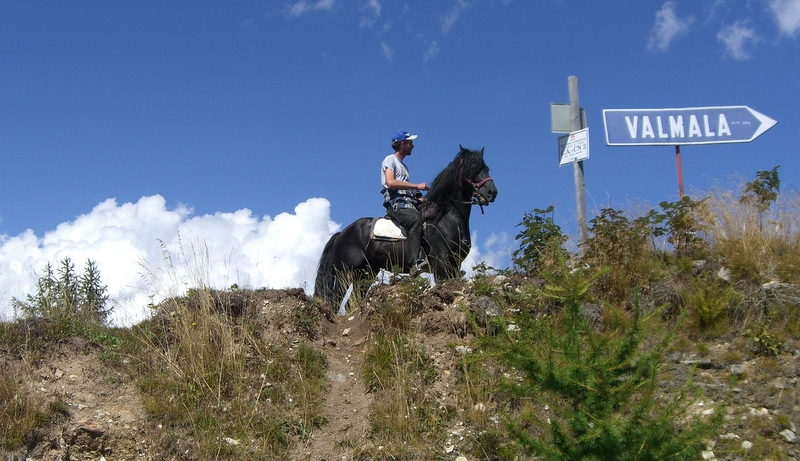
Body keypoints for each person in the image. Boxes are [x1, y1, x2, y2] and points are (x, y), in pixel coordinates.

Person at [381, 130, 429, 271]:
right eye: (410, 143)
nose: (413, 146)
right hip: (395, 201)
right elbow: (390, 183)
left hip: (407, 200)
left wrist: (420, 197)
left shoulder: (404, 166)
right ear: (403, 144)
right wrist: (416, 185)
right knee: (414, 220)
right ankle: (413, 263)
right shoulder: (390, 159)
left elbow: (405, 186)